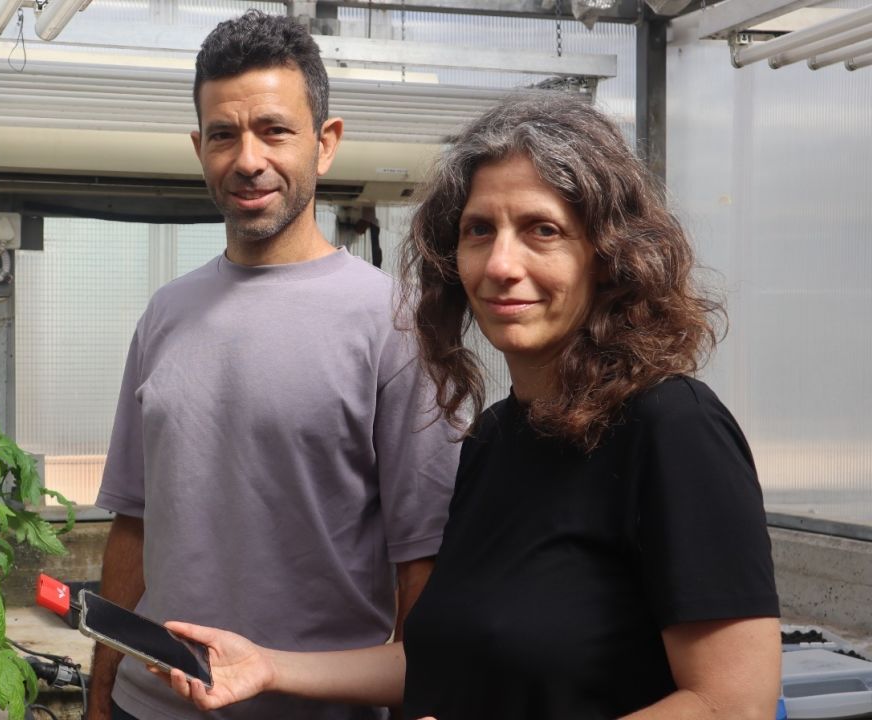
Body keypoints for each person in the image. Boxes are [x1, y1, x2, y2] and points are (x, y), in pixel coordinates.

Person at [155, 95, 782, 719]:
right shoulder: (494, 437)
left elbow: (733, 703)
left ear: (610, 255)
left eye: (543, 230)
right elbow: (444, 659)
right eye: (480, 230)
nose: (502, 265)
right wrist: (270, 665)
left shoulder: (672, 427)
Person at [88, 10, 460, 720]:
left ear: (325, 144)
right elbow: (134, 522)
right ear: (200, 148)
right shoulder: (166, 314)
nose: (247, 158)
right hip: (150, 705)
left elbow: (425, 561)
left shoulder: (396, 326)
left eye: (274, 130)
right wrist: (102, 687)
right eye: (224, 135)